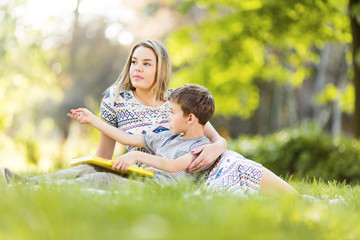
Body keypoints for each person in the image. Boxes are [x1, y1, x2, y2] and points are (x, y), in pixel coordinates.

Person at [1, 39, 226, 187]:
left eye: (147, 64)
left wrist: (218, 146)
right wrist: (95, 164)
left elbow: (211, 135)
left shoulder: (177, 100)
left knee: (100, 177)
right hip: (134, 172)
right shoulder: (115, 98)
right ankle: (27, 184)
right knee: (92, 168)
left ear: (161, 68)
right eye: (134, 62)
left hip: (163, 179)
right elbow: (106, 152)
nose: (137, 68)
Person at [68, 84, 298, 195]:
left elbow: (175, 165)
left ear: (190, 118)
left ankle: (299, 199)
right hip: (158, 184)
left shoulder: (200, 147)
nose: (165, 116)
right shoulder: (163, 137)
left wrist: (137, 156)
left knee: (239, 165)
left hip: (210, 181)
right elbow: (124, 136)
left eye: (171, 112)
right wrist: (92, 119)